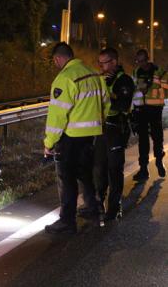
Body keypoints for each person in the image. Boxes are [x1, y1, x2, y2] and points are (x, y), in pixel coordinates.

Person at [44, 43, 109, 234]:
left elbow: (57, 116)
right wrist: (98, 123)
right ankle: (94, 210)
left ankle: (67, 221)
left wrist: (49, 142)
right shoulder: (93, 74)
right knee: (86, 175)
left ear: (58, 58)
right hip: (92, 136)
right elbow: (106, 102)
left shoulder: (64, 78)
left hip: (71, 138)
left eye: (55, 61)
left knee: (67, 179)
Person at [79, 48, 134, 221]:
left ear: (114, 62)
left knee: (114, 169)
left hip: (116, 129)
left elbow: (123, 106)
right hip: (100, 129)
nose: (101, 66)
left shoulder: (124, 80)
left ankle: (114, 207)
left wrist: (108, 92)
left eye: (104, 63)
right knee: (98, 168)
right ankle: (97, 204)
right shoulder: (99, 79)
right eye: (99, 62)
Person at [132, 49, 167, 181]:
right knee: (143, 141)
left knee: (157, 137)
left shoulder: (158, 71)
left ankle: (159, 160)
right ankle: (143, 169)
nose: (140, 63)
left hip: (155, 109)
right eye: (138, 61)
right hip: (142, 110)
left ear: (148, 59)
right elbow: (135, 88)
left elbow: (165, 86)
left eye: (142, 60)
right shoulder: (137, 71)